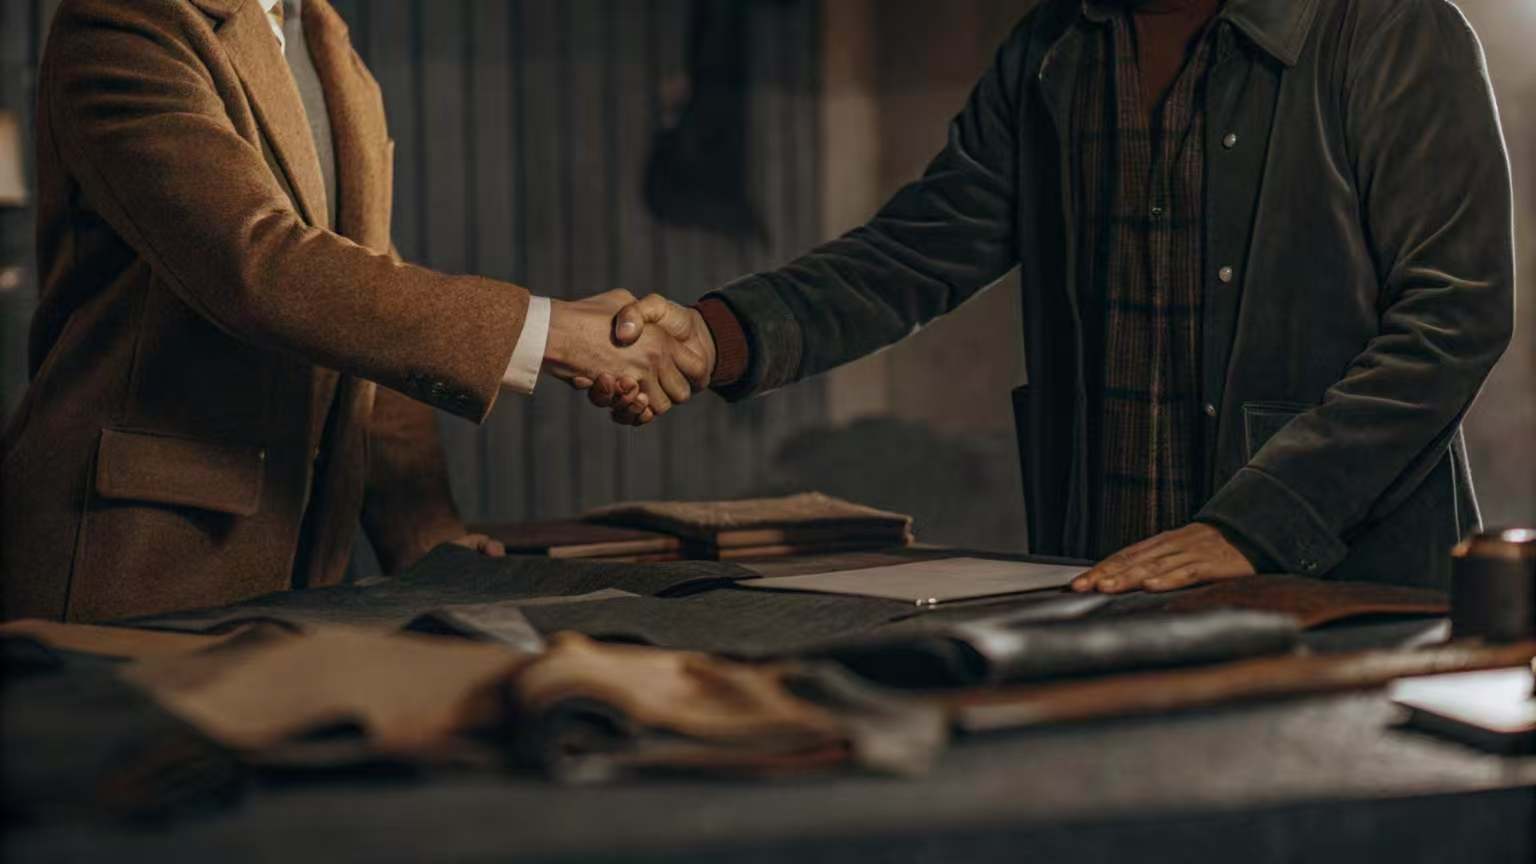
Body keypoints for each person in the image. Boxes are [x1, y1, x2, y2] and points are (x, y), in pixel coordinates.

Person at [588, 0, 1516, 593]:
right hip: (1107, 579)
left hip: (1341, 594)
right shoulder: (1052, 48)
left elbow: (1454, 318)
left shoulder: (1393, 30)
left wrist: (1257, 526)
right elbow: (916, 248)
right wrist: (717, 335)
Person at [0, 0, 707, 622]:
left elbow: (365, 307)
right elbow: (258, 266)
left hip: (302, 580)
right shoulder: (124, 20)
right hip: (128, 565)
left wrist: (423, 532)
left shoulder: (324, 41)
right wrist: (550, 332)